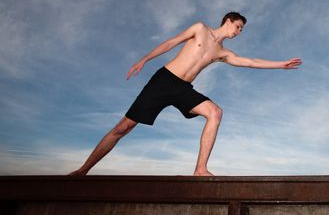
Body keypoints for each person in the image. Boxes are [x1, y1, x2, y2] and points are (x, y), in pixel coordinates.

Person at [69, 12, 302, 176]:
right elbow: (171, 43)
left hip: (183, 90)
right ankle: (83, 170)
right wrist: (144, 59)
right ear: (228, 21)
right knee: (123, 128)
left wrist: (280, 64)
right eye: (238, 26)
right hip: (164, 81)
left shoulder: (223, 53)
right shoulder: (200, 29)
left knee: (215, 112)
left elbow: (250, 62)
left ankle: (200, 169)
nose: (239, 31)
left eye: (241, 29)